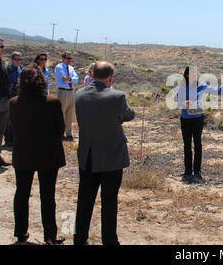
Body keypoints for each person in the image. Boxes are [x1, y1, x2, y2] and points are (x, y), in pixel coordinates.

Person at [74, 61, 135, 245]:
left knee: (84, 201)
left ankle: (79, 238)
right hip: (111, 158)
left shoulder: (79, 94)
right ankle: (109, 240)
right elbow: (129, 114)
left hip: (88, 157)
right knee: (109, 203)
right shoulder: (117, 96)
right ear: (110, 77)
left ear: (92, 75)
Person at [9, 65, 66, 245]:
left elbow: (13, 127)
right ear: (42, 81)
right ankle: (50, 236)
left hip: (22, 154)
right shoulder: (52, 102)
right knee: (48, 196)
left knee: (22, 194)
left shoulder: (13, 102)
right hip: (48, 155)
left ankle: (20, 233)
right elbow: (60, 129)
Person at [177, 66, 223, 184]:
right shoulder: (182, 87)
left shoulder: (201, 85)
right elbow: (179, 101)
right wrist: (185, 102)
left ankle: (197, 170)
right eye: (192, 73)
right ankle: (188, 171)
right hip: (185, 119)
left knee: (198, 144)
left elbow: (217, 91)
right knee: (187, 145)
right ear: (187, 74)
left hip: (197, 119)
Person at [55, 51, 79, 141]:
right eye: (68, 58)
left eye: (70, 58)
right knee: (62, 112)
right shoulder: (59, 67)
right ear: (63, 58)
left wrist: (69, 79)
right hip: (63, 91)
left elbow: (76, 79)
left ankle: (68, 133)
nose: (70, 60)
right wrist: (70, 79)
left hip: (71, 91)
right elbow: (63, 79)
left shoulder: (71, 68)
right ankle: (60, 133)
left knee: (69, 113)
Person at [0, 37, 11, 169]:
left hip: (4, 101)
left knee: (0, 131)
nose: (3, 48)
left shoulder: (1, 63)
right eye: (1, 46)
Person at [4, 51, 23, 149]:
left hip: (18, 97)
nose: (18, 61)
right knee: (8, 120)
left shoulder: (20, 69)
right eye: (16, 59)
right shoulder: (8, 69)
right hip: (9, 96)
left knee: (15, 119)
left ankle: (14, 138)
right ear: (12, 59)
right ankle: (8, 140)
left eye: (19, 59)